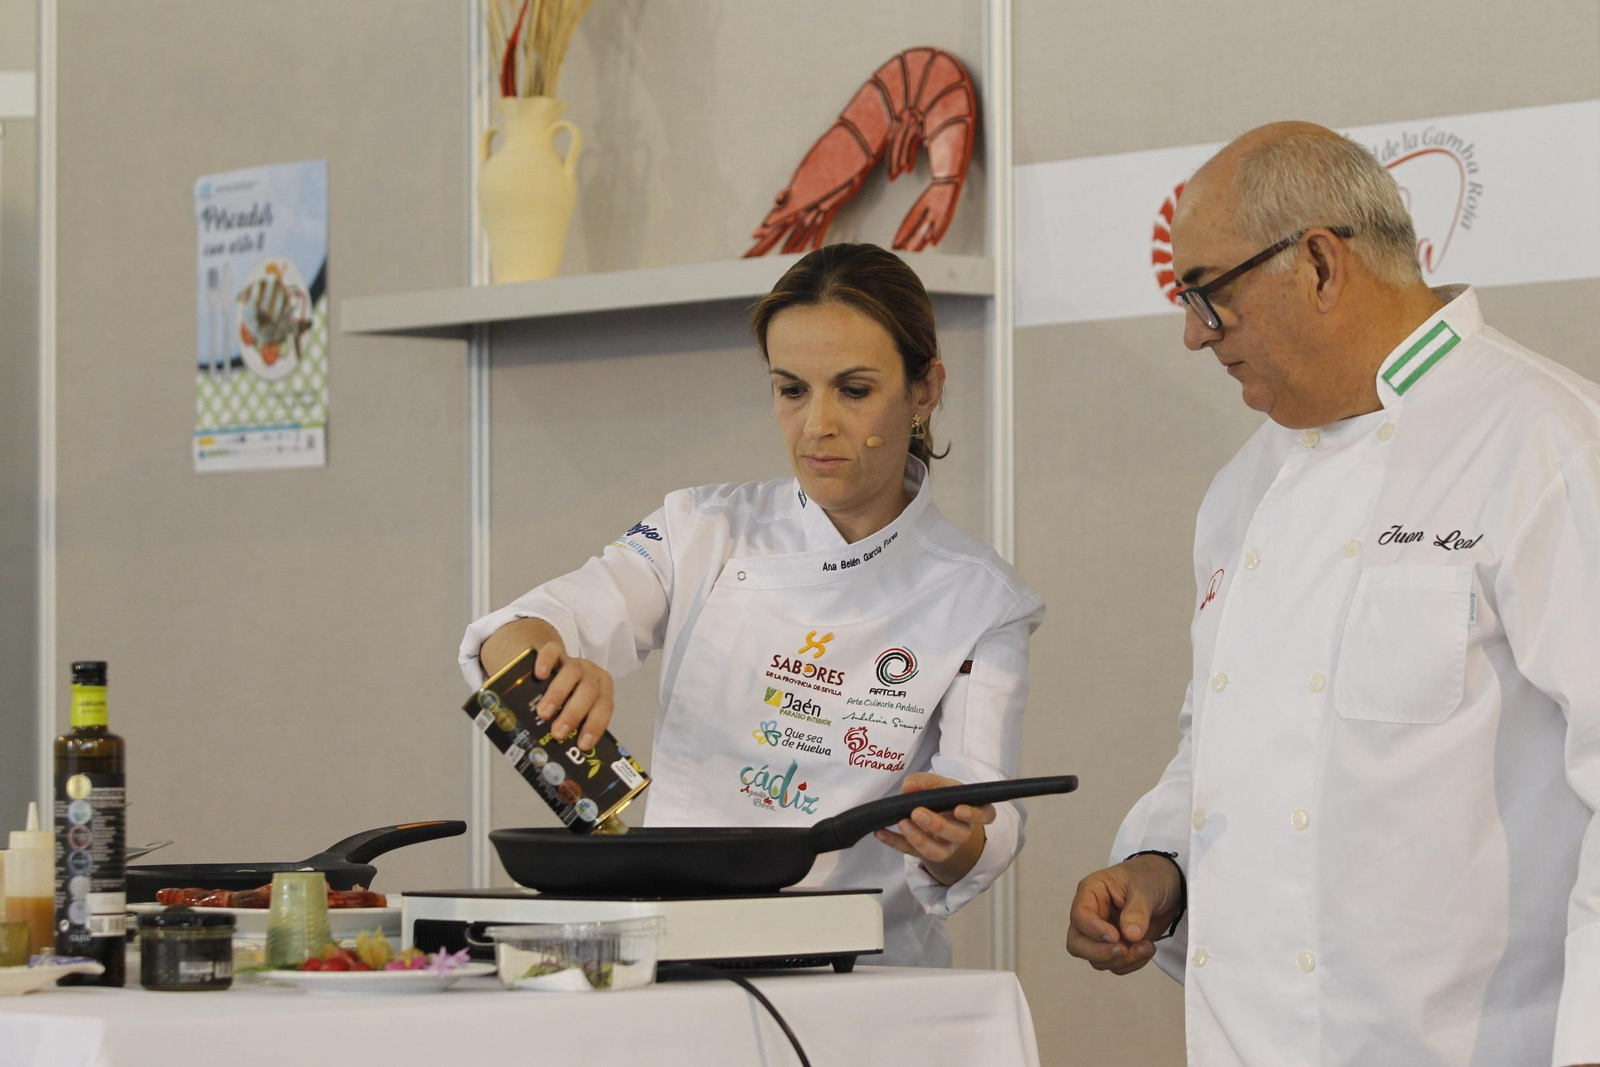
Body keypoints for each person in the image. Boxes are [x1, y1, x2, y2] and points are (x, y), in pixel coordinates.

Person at [1065, 122, 1600, 1067]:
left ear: (1317, 264)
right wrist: (1162, 863)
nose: (1193, 334)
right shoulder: (1242, 487)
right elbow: (1222, 741)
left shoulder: (1548, 446)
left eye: (1208, 294)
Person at [460, 243, 1045, 966]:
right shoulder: (700, 530)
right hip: (675, 958)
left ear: (925, 389)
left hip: (864, 979)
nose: (817, 424)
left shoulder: (983, 599)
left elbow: (986, 818)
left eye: (854, 390)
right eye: (791, 389)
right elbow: (518, 629)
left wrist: (955, 839)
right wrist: (545, 666)